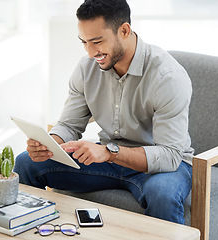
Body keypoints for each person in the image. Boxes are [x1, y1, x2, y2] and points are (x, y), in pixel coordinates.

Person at [14, 0, 194, 225]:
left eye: (97, 42)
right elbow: (70, 125)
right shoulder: (87, 68)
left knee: (163, 195)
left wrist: (109, 152)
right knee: (26, 164)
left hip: (159, 166)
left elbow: (170, 156)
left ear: (124, 30)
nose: (90, 53)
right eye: (84, 42)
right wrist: (49, 145)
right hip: (107, 158)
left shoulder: (167, 77)